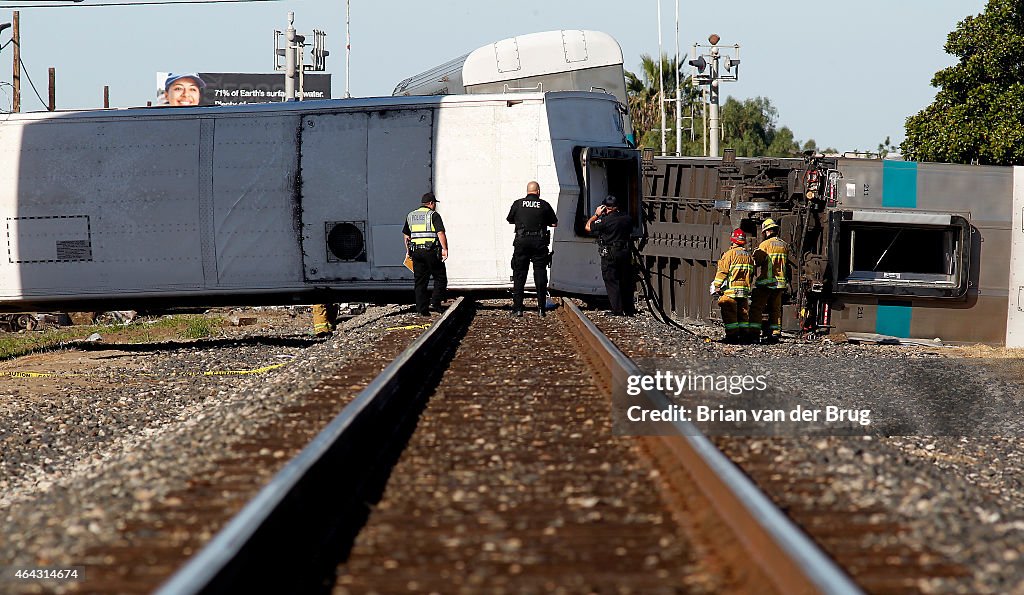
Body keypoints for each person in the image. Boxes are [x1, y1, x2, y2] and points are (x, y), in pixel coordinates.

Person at [506, 181, 558, 317]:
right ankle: (541, 309)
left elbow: (510, 219)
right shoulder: (544, 205)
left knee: (519, 275)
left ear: (527, 190)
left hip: (522, 242)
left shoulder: (518, 203)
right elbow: (554, 222)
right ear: (538, 191)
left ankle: (518, 309)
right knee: (540, 275)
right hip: (539, 243)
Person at [585, 195, 636, 316]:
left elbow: (587, 227)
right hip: (625, 252)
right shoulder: (627, 218)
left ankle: (617, 310)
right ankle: (629, 309)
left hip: (610, 253)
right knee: (625, 280)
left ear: (605, 207)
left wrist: (596, 215)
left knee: (611, 280)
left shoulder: (605, 221)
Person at [403, 192, 448, 316]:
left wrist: (408, 251)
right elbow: (440, 233)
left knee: (420, 281)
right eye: (434, 204)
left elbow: (406, 235)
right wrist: (445, 249)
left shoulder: (411, 216)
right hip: (431, 251)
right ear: (431, 203)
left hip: (416, 252)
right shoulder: (433, 215)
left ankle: (422, 309)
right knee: (440, 277)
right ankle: (435, 302)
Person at [748, 218, 790, 343]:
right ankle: (775, 333)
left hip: (767, 282)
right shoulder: (784, 245)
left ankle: (754, 333)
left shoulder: (765, 245)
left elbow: (758, 262)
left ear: (766, 231)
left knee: (757, 308)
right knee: (775, 309)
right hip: (780, 283)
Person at [711, 228, 755, 343]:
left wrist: (717, 286)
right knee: (743, 315)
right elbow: (751, 274)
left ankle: (732, 337)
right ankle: (745, 337)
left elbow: (722, 272)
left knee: (729, 313)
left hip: (731, 291)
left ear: (732, 240)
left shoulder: (729, 254)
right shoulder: (748, 256)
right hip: (743, 291)